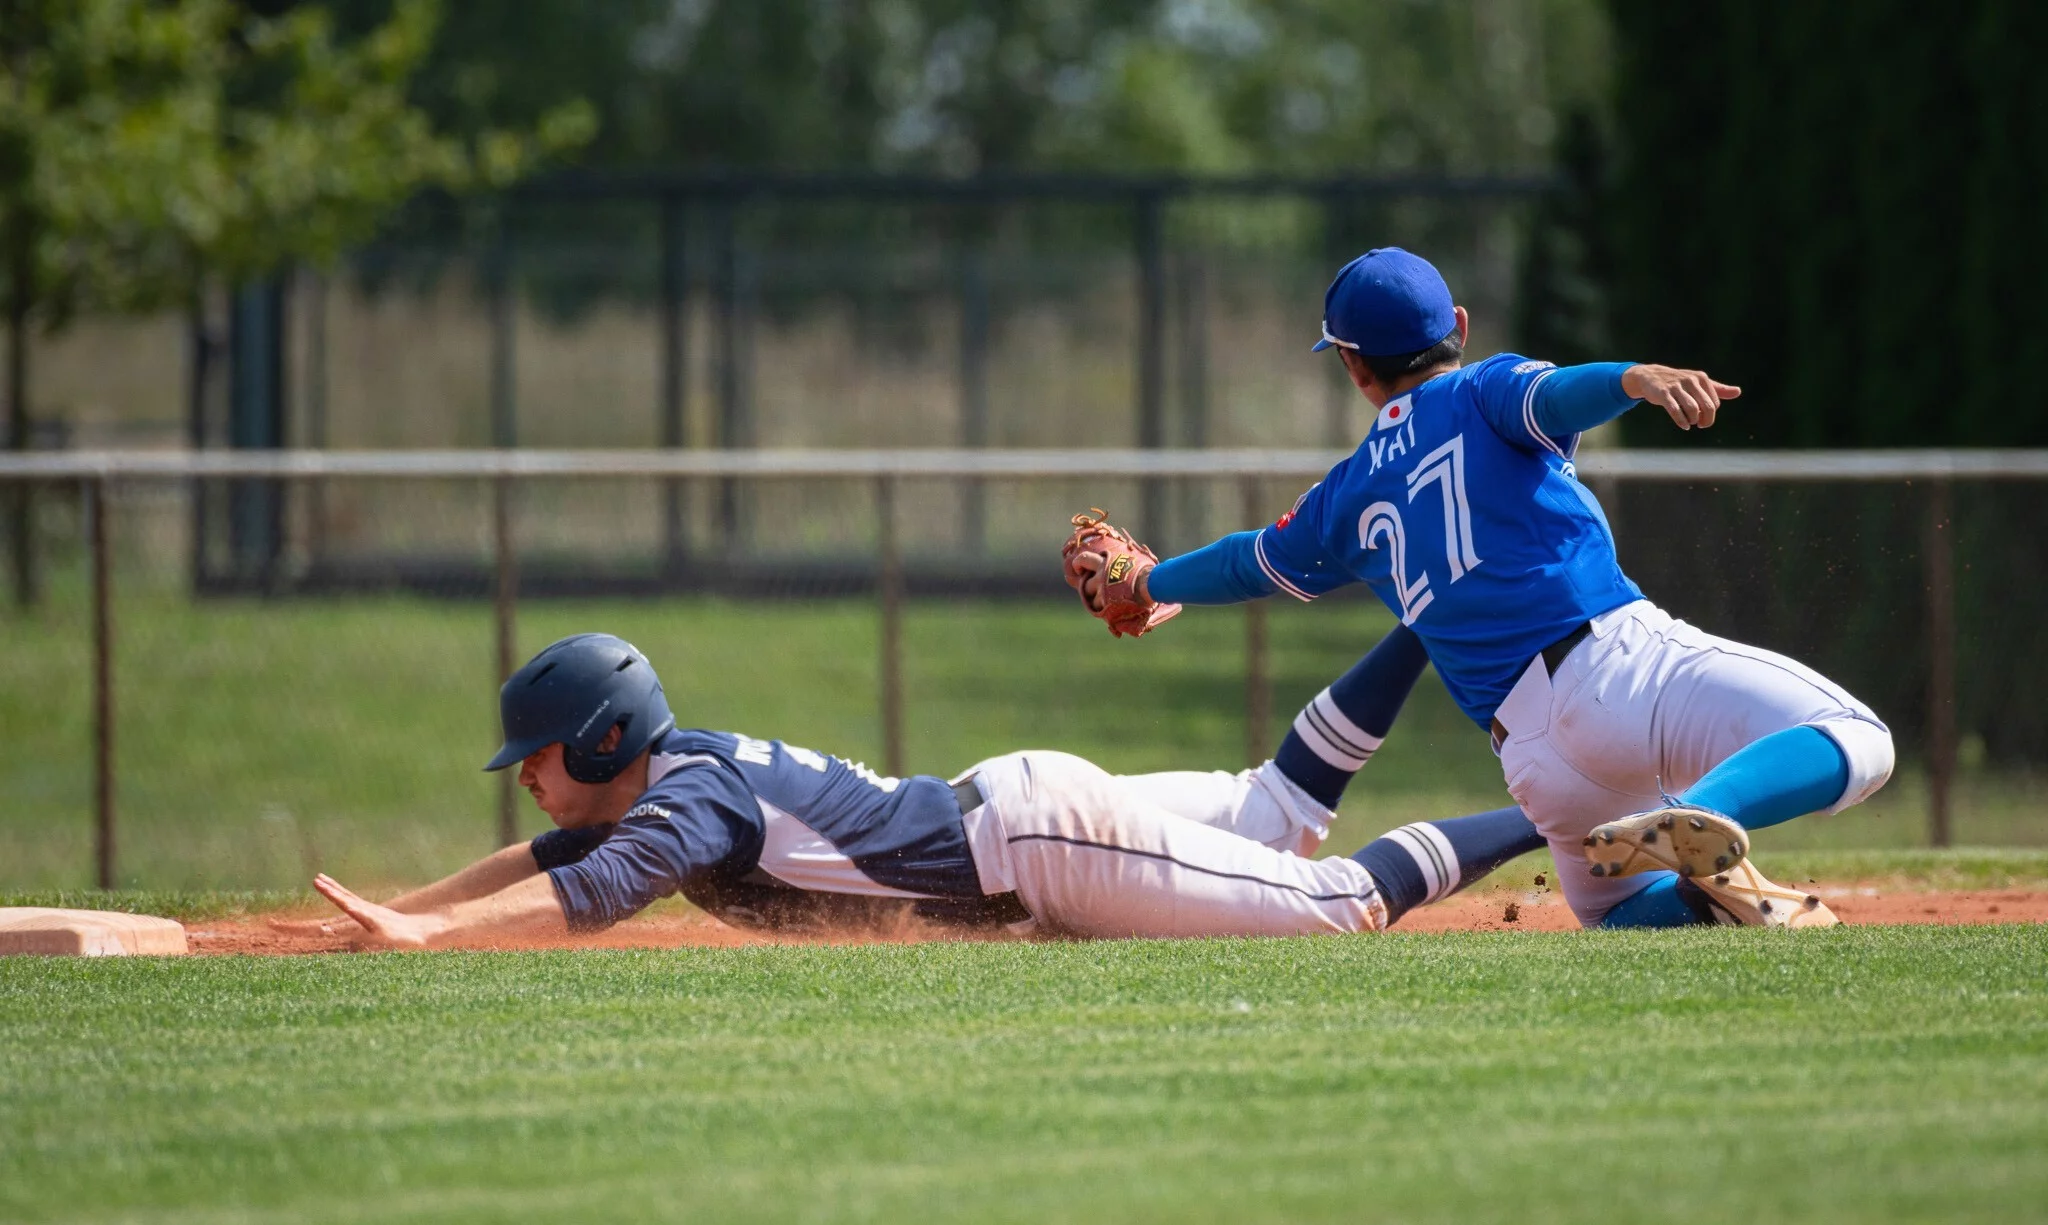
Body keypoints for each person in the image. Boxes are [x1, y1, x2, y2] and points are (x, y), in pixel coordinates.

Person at [1065, 247, 1893, 929]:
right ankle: (1699, 815)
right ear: (1458, 326)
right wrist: (1633, 377)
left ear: (1352, 367)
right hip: (1616, 665)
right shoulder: (1479, 387)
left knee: (1613, 906)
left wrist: (1148, 578)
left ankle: (1704, 887)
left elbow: (1250, 558)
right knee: (1857, 736)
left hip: (1535, 758)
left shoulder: (1346, 496)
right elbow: (1554, 392)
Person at [304, 630, 1547, 948]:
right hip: (1017, 811)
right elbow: (538, 869)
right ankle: (1427, 626)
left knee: (1335, 903)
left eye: (534, 755)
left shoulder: (686, 806)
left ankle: (1561, 820)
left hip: (1045, 846)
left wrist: (428, 934)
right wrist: (406, 910)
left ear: (599, 739)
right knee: (1270, 807)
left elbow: (595, 896)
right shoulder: (676, 778)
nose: (523, 781)